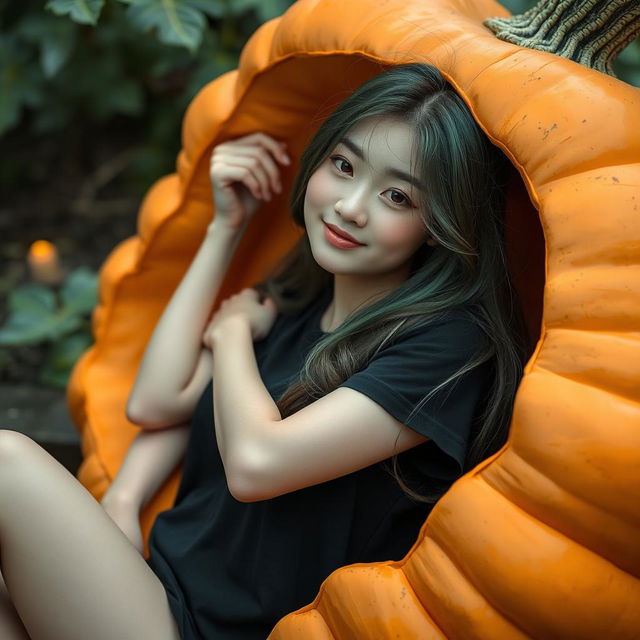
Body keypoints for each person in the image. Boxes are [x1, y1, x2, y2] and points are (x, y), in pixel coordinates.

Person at [0, 63, 529, 640]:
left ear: (438, 223)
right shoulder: (300, 299)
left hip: (211, 631)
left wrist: (229, 338)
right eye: (344, 166)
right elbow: (155, 403)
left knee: (5, 462)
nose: (351, 206)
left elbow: (257, 464)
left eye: (397, 195)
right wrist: (225, 227)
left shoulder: (448, 346)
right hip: (149, 589)